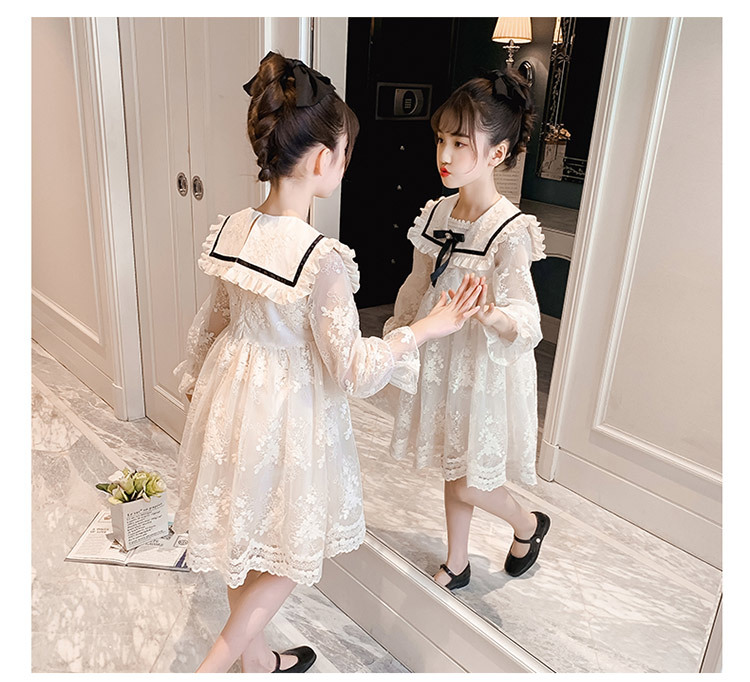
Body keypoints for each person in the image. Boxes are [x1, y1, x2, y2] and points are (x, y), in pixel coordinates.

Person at [171, 51, 485, 674]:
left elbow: (213, 324)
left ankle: (259, 661)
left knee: (246, 533)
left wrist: (197, 386)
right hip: (288, 412)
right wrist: (424, 329)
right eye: (345, 154)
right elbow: (353, 369)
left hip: (231, 396)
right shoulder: (321, 259)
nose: (344, 165)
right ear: (322, 160)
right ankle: (213, 668)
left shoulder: (232, 228)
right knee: (292, 546)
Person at [384, 67, 551, 592]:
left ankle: (528, 523)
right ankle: (458, 562)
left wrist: (491, 315)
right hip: (442, 358)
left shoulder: (510, 229)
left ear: (497, 154)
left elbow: (526, 314)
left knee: (469, 479)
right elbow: (417, 285)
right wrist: (401, 337)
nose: (445, 154)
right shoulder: (436, 213)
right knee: (452, 465)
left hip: (481, 366)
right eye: (441, 139)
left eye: (460, 143)